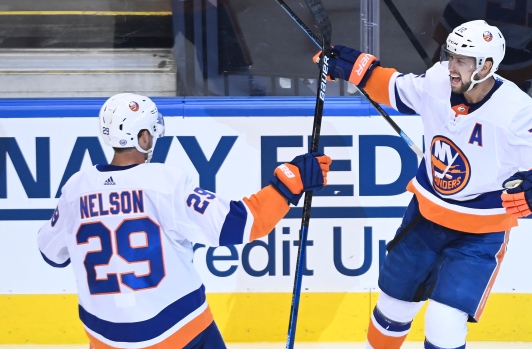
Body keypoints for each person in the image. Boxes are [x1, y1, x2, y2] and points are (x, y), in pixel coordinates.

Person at [315, 20, 532, 349]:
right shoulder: (439, 79)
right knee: (393, 308)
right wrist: (359, 71)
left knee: (444, 321)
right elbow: (395, 89)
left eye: (462, 61)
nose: (452, 67)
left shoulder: (514, 111)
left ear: (486, 66)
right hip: (425, 217)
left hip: (479, 233)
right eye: (451, 56)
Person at [37, 93, 331, 349]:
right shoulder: (163, 182)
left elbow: (51, 253)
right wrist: (289, 183)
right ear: (143, 137)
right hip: (180, 334)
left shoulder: (76, 189)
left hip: (106, 339)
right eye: (150, 133)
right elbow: (240, 223)